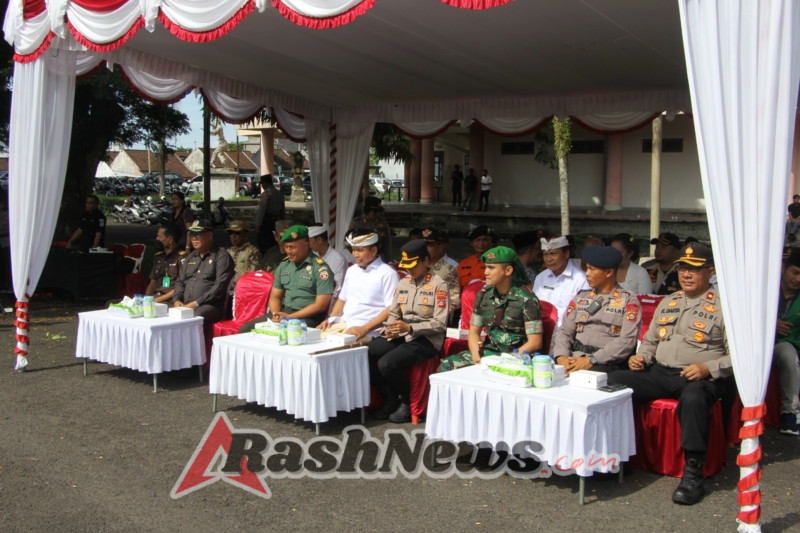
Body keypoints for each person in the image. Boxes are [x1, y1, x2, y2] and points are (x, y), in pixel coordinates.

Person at [608, 244, 732, 505]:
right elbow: (650, 341)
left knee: (695, 399)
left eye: (694, 269)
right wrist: (640, 357)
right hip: (660, 372)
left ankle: (693, 473)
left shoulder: (726, 308)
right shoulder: (669, 301)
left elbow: (738, 358)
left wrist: (707, 368)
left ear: (710, 272)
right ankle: (615, 457)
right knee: (611, 383)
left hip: (698, 378)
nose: (686, 274)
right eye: (683, 268)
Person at [368, 240, 448, 423]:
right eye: (406, 266)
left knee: (387, 363)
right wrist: (390, 328)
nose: (409, 270)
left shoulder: (438, 285)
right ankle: (390, 396)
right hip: (401, 333)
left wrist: (411, 327)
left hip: (426, 338)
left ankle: (406, 399)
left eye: (413, 266)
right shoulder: (404, 282)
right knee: (368, 353)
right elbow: (394, 312)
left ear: (426, 261)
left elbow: (440, 323)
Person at [439, 246, 542, 371]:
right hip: (489, 352)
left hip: (518, 357)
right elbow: (474, 332)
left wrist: (506, 360)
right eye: (486, 267)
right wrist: (477, 357)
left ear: (508, 270)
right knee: (444, 368)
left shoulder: (527, 299)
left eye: (491, 268)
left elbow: (535, 342)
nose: (485, 272)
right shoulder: (483, 295)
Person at [552, 246, 642, 375]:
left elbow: (627, 341)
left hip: (606, 363)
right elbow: (565, 331)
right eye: (586, 268)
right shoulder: (581, 297)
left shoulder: (628, 300)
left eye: (592, 269)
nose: (587, 273)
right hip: (574, 358)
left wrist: (591, 360)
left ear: (609, 272)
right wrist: (561, 357)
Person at [239, 225, 334, 331]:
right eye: (286, 246)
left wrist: (290, 317)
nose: (288, 251)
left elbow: (321, 305)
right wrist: (276, 314)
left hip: (308, 318)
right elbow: (275, 296)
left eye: (292, 247)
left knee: (286, 332)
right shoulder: (284, 266)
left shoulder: (320, 268)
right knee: (246, 329)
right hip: (285, 313)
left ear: (306, 243)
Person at [318, 229, 399, 340]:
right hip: (345, 325)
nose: (355, 254)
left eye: (360, 250)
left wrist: (365, 328)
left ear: (374, 251)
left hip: (371, 331)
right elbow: (342, 300)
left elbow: (391, 309)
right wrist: (330, 320)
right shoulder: (352, 271)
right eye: (353, 250)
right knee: (312, 340)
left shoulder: (388, 274)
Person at [172, 219, 234, 325]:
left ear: (209, 235)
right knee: (164, 312)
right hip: (185, 303)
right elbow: (180, 281)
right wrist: (177, 299)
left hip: (210, 305)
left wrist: (197, 303)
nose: (194, 239)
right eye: (192, 235)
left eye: (198, 235)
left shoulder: (221, 256)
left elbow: (220, 286)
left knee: (194, 318)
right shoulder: (191, 257)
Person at [533, 236, 589, 327]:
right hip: (543, 331)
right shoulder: (540, 278)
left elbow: (583, 314)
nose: (549, 259)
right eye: (545, 254)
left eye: (553, 254)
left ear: (566, 254)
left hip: (568, 334)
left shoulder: (580, 279)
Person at [773, 249, 800, 436]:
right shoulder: (766, 289)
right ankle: (790, 411)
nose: (798, 279)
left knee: (788, 352)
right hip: (761, 346)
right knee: (787, 353)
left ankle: (791, 412)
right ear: (783, 268)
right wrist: (770, 323)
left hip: (790, 345)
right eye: (795, 272)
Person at [307, 223, 347, 307]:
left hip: (328, 305)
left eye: (309, 241)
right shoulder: (311, 256)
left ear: (319, 240)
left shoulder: (338, 259)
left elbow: (338, 289)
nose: (308, 245)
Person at [422, 227, 460, 314]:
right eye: (424, 245)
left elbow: (454, 301)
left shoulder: (453, 267)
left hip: (439, 316)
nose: (425, 249)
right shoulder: (419, 264)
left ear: (441, 247)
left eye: (429, 245)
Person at [145, 224, 182, 304]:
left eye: (159, 237)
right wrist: (146, 300)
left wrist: (156, 301)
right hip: (155, 298)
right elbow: (152, 283)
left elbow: (180, 287)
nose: (157, 239)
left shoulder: (181, 258)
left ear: (170, 239)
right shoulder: (159, 257)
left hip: (169, 301)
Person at [225, 220, 262, 294]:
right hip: (226, 290)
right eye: (230, 233)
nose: (233, 236)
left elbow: (253, 274)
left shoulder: (252, 251)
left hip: (244, 291)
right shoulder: (227, 252)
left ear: (246, 235)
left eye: (237, 233)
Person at [457, 225, 497, 290]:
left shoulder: (497, 263)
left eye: (485, 240)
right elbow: (457, 287)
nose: (481, 243)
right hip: (466, 299)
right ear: (472, 243)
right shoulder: (464, 263)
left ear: (492, 244)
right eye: (478, 240)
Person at [356, 196, 393, 263]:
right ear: (367, 210)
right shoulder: (358, 224)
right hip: (361, 257)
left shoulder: (383, 224)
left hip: (378, 258)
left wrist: (389, 261)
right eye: (374, 211)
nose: (377, 214)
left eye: (378, 211)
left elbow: (387, 245)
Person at [255, 174, 286, 254]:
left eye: (262, 184)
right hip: (277, 221)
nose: (262, 186)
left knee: (264, 243)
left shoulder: (265, 194)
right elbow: (283, 210)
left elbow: (262, 210)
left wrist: (258, 224)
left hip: (267, 221)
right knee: (275, 242)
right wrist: (283, 221)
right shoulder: (279, 193)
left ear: (265, 183)